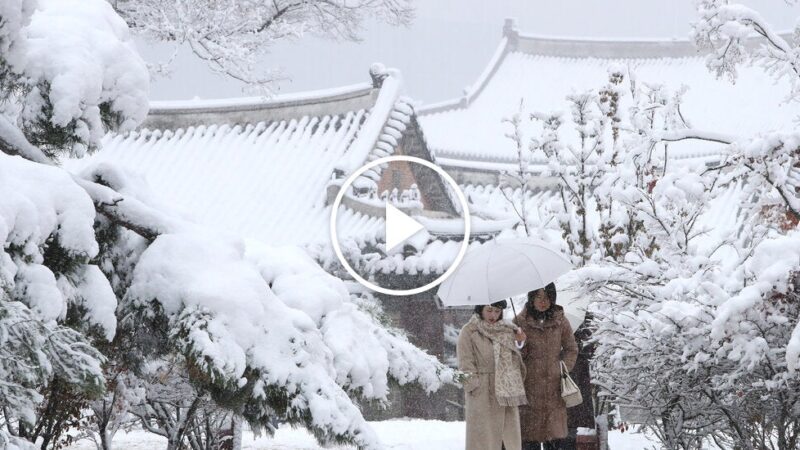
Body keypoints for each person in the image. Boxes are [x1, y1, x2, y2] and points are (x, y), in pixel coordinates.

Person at [514, 283, 579, 450]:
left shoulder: (560, 320)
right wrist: (520, 344)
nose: (543, 302)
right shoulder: (520, 321)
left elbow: (571, 349)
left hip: (555, 389)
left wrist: (562, 367)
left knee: (555, 439)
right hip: (529, 388)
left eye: (547, 297)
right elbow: (513, 355)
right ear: (531, 298)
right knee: (529, 439)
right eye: (539, 297)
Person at [457, 300, 528, 450]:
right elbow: (465, 362)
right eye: (489, 310)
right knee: (484, 440)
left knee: (508, 440)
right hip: (482, 392)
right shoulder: (469, 330)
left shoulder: (508, 329)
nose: (493, 315)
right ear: (480, 309)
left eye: (497, 311)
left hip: (507, 391)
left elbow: (514, 357)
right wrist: (474, 386)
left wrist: (519, 342)